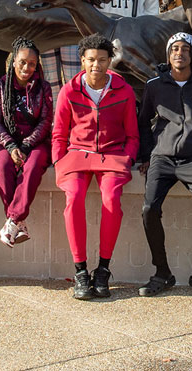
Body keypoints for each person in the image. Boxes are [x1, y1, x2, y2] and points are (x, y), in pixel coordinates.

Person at [137, 33, 192, 298]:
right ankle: (161, 272)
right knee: (149, 209)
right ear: (168, 55)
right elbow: (143, 121)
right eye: (175, 49)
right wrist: (146, 156)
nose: (180, 53)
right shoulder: (154, 85)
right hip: (162, 158)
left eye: (185, 49)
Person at [51, 34, 140, 300]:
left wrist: (128, 157)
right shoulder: (70, 90)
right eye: (91, 60)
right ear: (82, 61)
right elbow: (58, 133)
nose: (96, 65)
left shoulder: (124, 91)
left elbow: (133, 135)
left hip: (112, 155)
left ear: (109, 61)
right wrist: (59, 160)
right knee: (74, 198)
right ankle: (80, 271)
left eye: (102, 60)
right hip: (77, 155)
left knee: (111, 198)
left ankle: (103, 269)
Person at [0, 38, 54, 248]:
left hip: (36, 142)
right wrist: (11, 146)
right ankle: (18, 222)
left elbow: (46, 121)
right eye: (23, 62)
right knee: (3, 167)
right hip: (6, 140)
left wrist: (25, 146)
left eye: (32, 64)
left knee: (33, 166)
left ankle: (13, 220)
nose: (27, 68)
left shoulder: (43, 87)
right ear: (13, 61)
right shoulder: (0, 85)